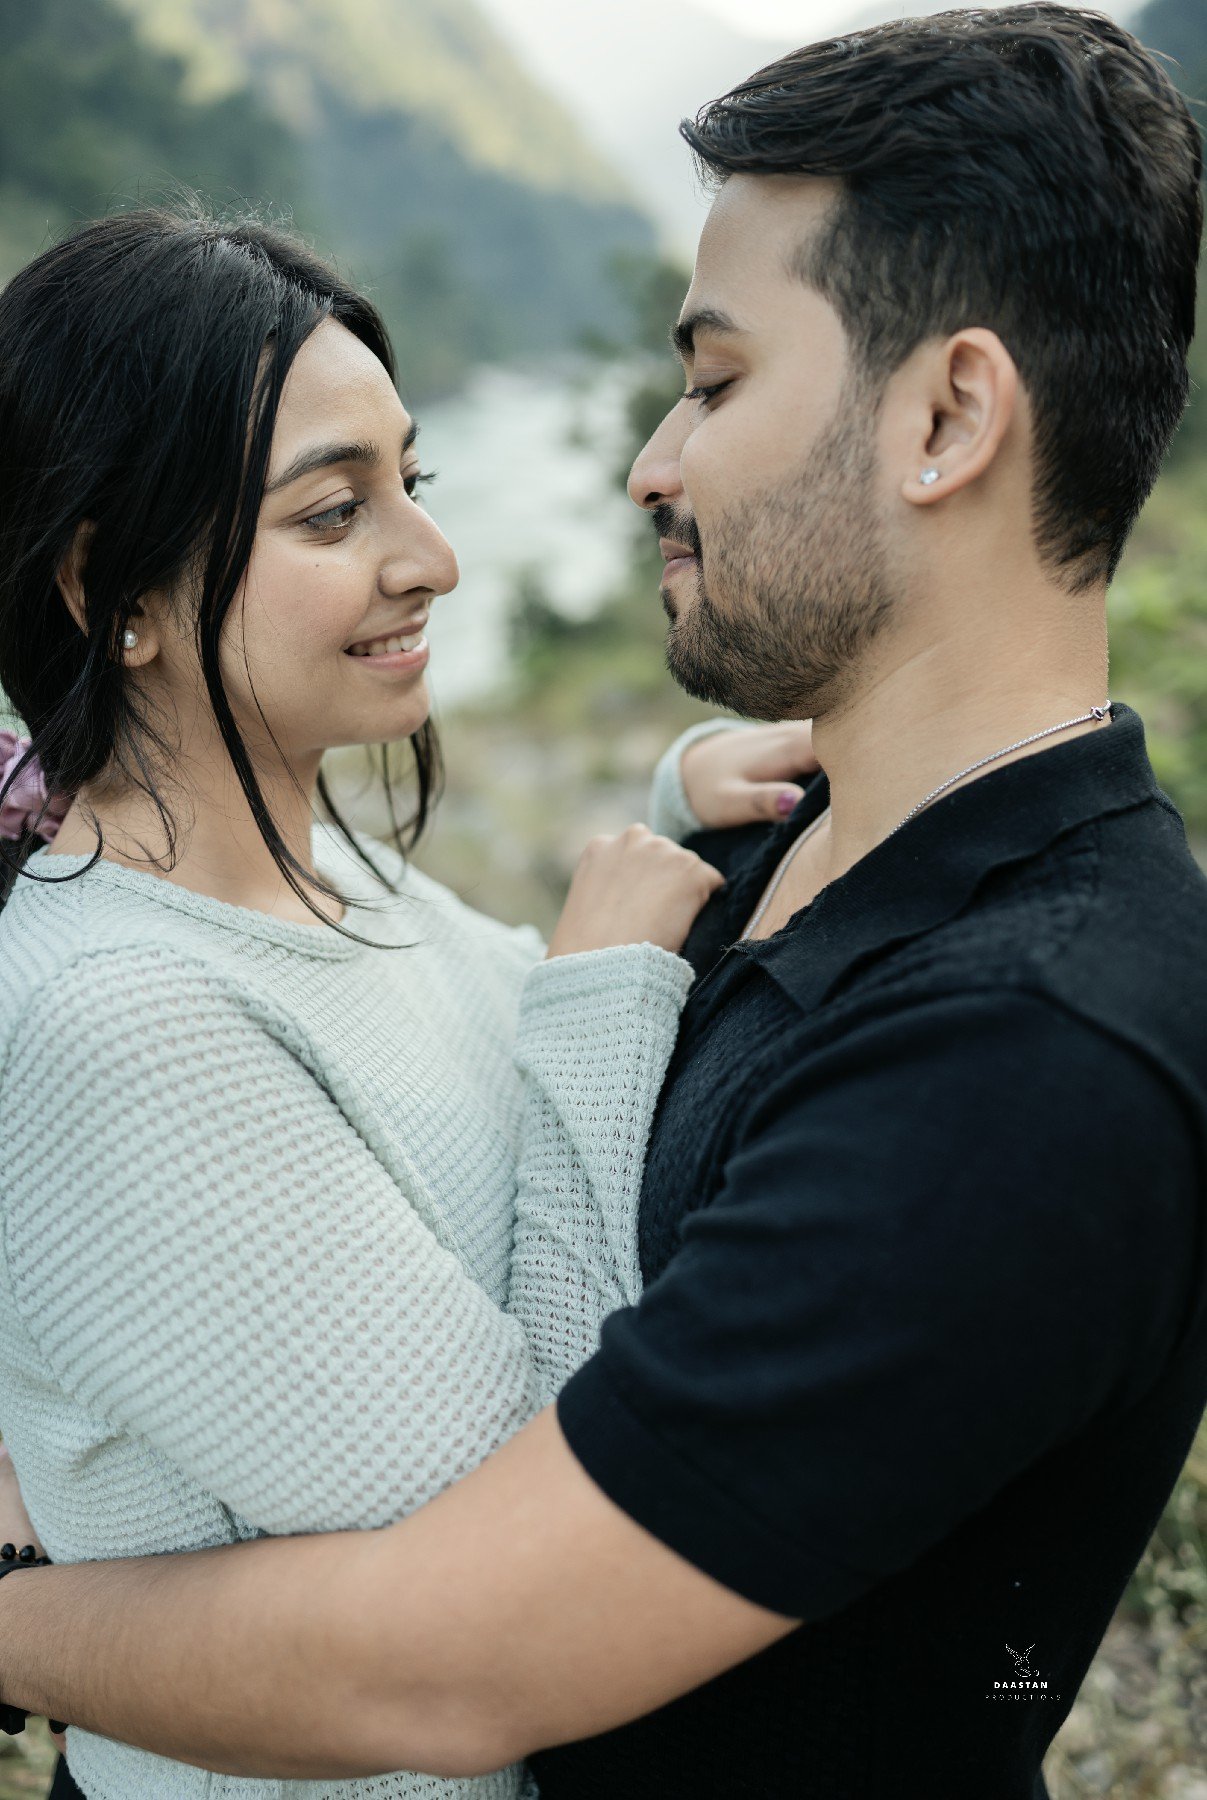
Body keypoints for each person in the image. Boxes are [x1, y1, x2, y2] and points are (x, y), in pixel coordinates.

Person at [2, 5, 1206, 1797]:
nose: (649, 460)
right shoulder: (802, 856)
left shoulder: (1029, 1052)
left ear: (951, 415)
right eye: (335, 507)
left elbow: (454, 1639)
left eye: (714, 382)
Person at [0, 205, 814, 1800]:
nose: (430, 560)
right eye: (332, 513)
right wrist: (604, 980)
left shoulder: (314, 861)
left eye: (412, 485)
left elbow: (471, 1064)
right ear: (112, 587)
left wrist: (665, 818)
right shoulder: (122, 1025)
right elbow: (527, 1534)